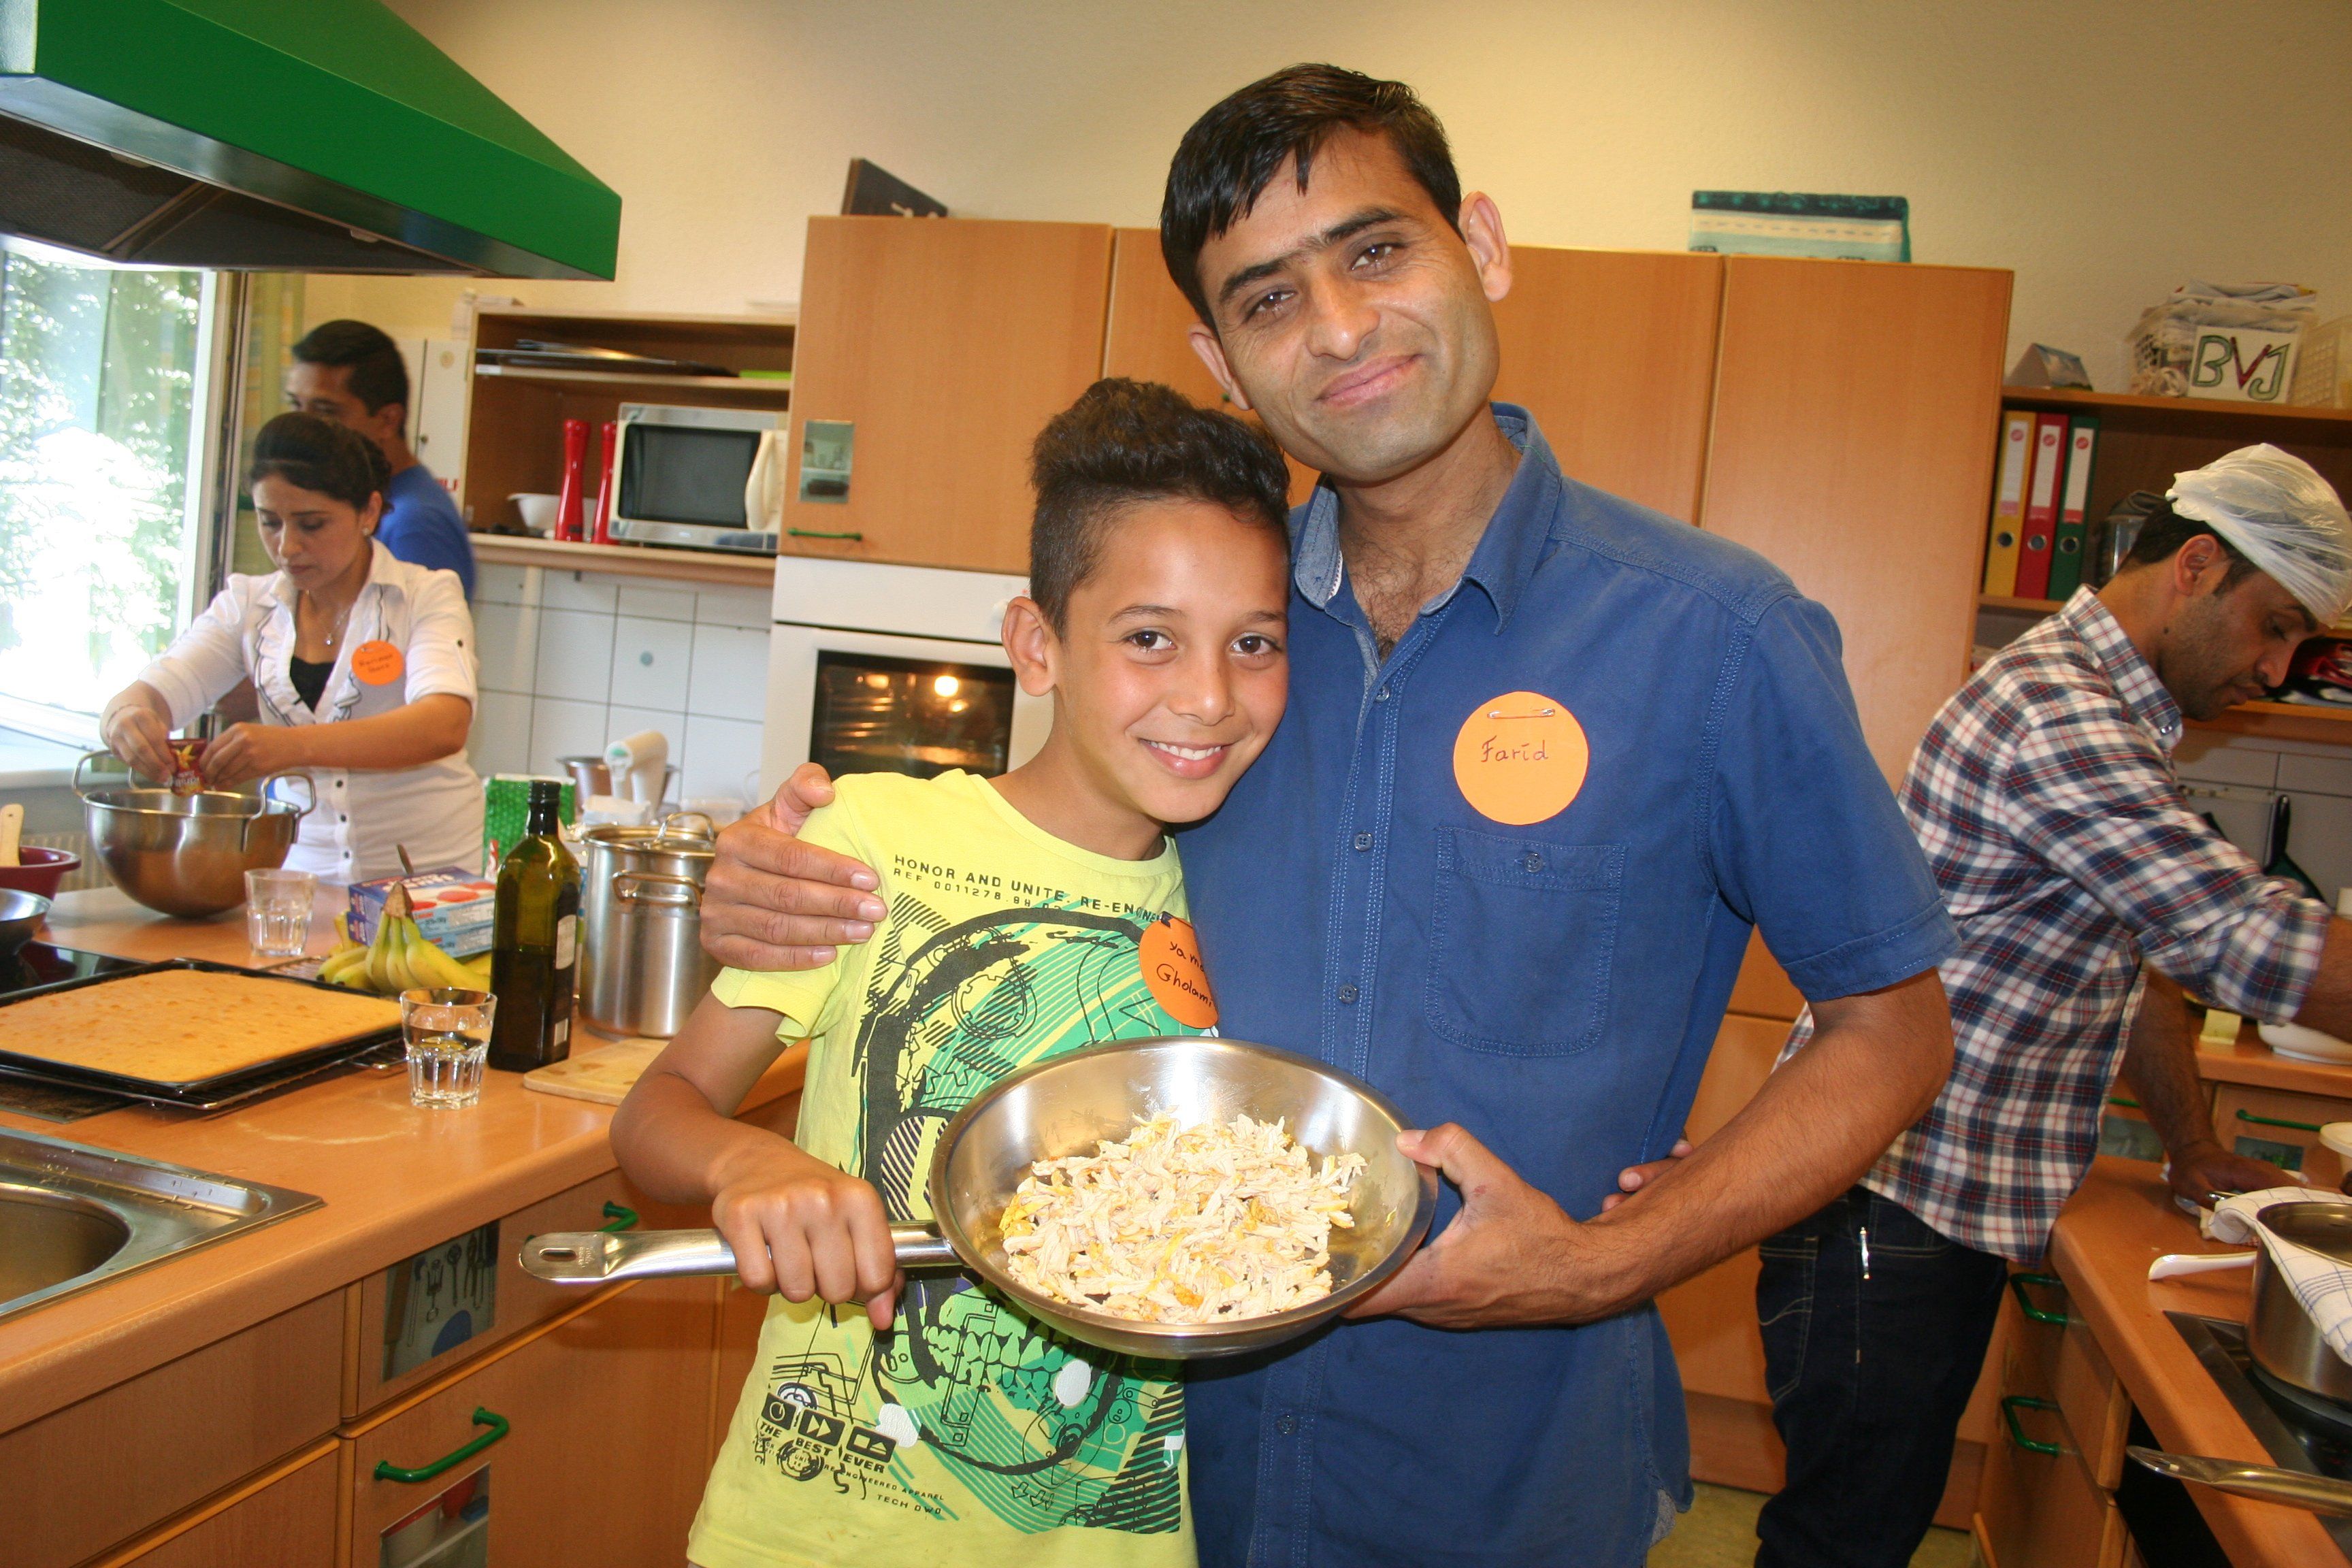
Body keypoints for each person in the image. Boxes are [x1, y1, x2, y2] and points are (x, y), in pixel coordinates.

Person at [692, 66, 1961, 1568]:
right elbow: (1017, 844)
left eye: (1377, 251)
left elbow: (1895, 1028)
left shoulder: (1714, 637)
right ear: (1220, 360)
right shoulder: (1216, 650)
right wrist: (779, 872)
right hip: (1162, 1486)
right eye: (1270, 298)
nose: (1342, 329)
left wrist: (1607, 1259)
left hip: (1509, 1482)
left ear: (1480, 245)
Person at [609, 379, 1294, 1568]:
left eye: (1254, 642)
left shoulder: (1250, 902)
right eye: (1149, 637)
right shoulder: (871, 842)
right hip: (817, 1533)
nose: (1208, 696)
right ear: (1038, 644)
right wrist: (749, 1162)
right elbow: (654, 1114)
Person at [1754, 443, 2352, 1567]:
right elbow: (2238, 936)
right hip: (1889, 1206)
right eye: (2272, 627)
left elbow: (2135, 952)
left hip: (1932, 1197)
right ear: (2196, 566)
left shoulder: (2113, 712)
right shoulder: (2060, 711)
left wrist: (2190, 1141)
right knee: (1843, 1539)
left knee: (1861, 1521)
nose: (2276, 670)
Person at [99, 412, 482, 883]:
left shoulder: (427, 595)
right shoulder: (249, 605)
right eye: (270, 522)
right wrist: (126, 718)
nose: (287, 547)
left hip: (428, 879)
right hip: (301, 877)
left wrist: (291, 746)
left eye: (312, 524)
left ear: (368, 512)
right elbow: (159, 689)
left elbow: (444, 723)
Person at [287, 319, 476, 598]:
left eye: (326, 412)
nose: (302, 429)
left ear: (387, 420)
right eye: (296, 406)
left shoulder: (414, 524)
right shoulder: (366, 502)